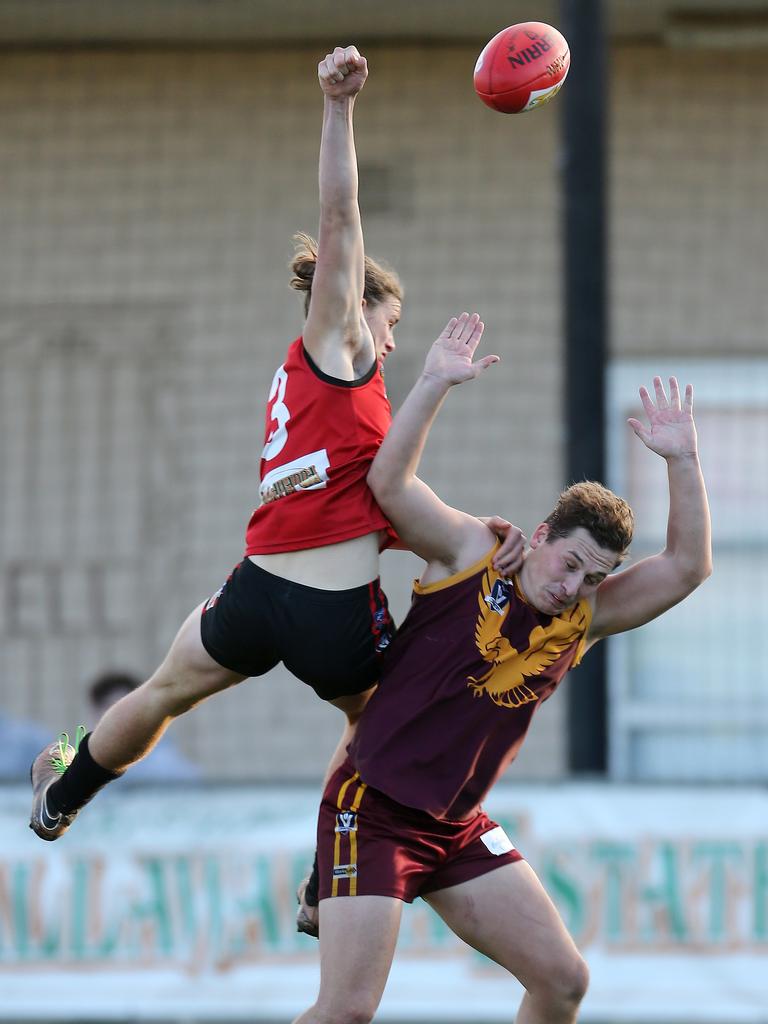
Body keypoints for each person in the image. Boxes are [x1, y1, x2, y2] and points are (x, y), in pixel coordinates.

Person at [28, 49, 521, 851]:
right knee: (375, 732)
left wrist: (455, 524)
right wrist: (338, 107)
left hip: (255, 593)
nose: (391, 338)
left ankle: (60, 800)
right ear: (355, 304)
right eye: (388, 319)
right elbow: (341, 216)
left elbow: (366, 496)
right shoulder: (343, 345)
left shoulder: (318, 389)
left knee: (160, 692)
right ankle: (334, 876)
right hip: (333, 609)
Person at [294, 313, 712, 1024]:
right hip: (376, 811)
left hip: (456, 826)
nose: (573, 585)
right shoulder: (471, 554)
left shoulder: (584, 618)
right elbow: (389, 484)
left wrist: (681, 461)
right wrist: (432, 384)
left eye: (593, 577)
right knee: (346, 1013)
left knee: (563, 981)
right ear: (541, 533)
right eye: (570, 563)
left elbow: (686, 568)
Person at [87, 672, 201, 783]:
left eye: (126, 710)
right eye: (109, 709)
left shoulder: (165, 765)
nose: (118, 719)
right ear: (95, 714)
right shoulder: (85, 761)